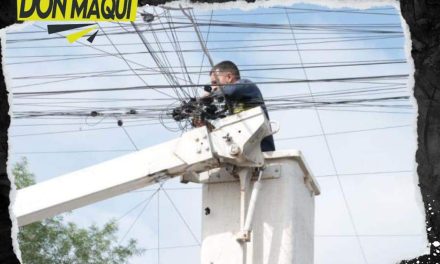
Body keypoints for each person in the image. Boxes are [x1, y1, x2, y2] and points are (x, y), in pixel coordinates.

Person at [205, 60, 275, 152]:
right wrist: (204, 123)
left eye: (215, 82)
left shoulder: (246, 84)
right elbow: (224, 134)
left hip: (263, 153)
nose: (213, 88)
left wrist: (206, 96)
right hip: (244, 156)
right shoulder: (230, 105)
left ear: (229, 77)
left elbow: (231, 91)